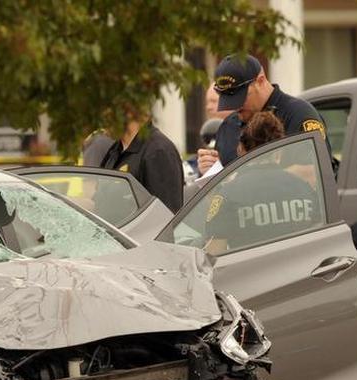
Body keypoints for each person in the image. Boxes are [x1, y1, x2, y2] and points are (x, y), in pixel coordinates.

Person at [203, 111, 322, 254]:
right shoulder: (305, 190)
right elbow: (318, 245)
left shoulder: (228, 195)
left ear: (241, 149)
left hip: (251, 274)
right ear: (280, 151)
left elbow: (213, 257)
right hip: (299, 273)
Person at [197, 54, 332, 176]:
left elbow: (315, 173)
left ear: (260, 81)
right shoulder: (228, 126)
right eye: (229, 101)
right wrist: (211, 169)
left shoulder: (299, 115)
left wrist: (243, 181)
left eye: (241, 97)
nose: (235, 107)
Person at [97, 109, 184, 211]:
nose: (101, 118)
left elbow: (164, 216)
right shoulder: (115, 150)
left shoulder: (158, 151)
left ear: (128, 109)